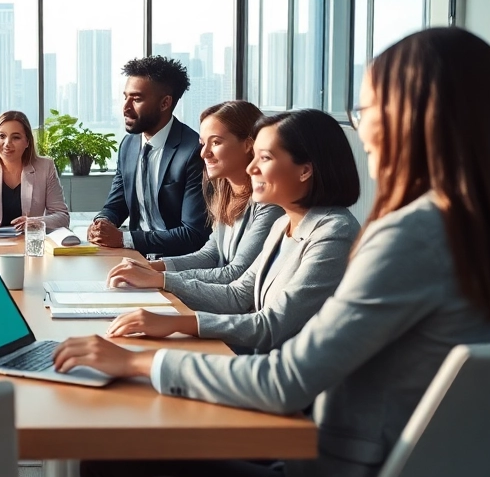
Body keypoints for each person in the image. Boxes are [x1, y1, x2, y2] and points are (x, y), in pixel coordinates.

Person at [50, 27, 490, 477]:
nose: (361, 128)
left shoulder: (413, 236)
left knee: (106, 454)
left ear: (415, 119)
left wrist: (135, 362)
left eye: (367, 109)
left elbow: (285, 380)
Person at [103, 109, 359, 355]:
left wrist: (175, 320)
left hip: (286, 375)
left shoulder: (334, 233)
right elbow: (238, 293)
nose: (251, 168)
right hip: (260, 361)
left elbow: (272, 325)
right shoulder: (284, 224)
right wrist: (159, 281)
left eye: (265, 158)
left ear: (305, 170)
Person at [106, 100, 283, 287]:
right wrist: (149, 267)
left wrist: (159, 278)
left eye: (216, 142)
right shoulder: (224, 194)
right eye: (203, 143)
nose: (204, 153)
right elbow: (210, 255)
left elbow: (235, 274)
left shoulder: (268, 205)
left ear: (248, 144)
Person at [89, 55, 209, 257]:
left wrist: (124, 239)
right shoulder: (128, 145)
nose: (126, 108)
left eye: (136, 99)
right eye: (125, 97)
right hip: (133, 255)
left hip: (174, 261)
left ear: (165, 103)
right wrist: (102, 223)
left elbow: (193, 234)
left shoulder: (193, 151)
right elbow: (116, 204)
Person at [0, 110, 70, 234]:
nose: (7, 143)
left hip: (30, 240)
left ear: (27, 142)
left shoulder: (45, 167)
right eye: (2, 136)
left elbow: (62, 216)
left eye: (16, 137)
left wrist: (34, 222)